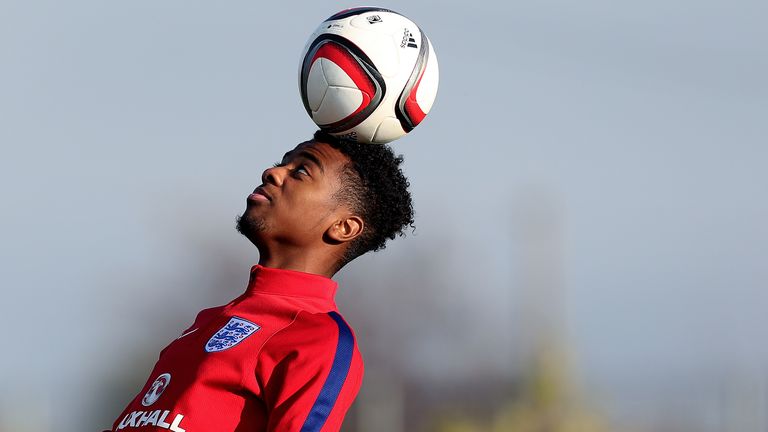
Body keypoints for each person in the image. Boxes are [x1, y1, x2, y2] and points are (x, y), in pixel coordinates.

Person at [108, 131, 414, 432]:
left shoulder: (319, 339)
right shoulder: (208, 320)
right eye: (281, 162)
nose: (272, 172)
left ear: (343, 226)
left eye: (302, 171)